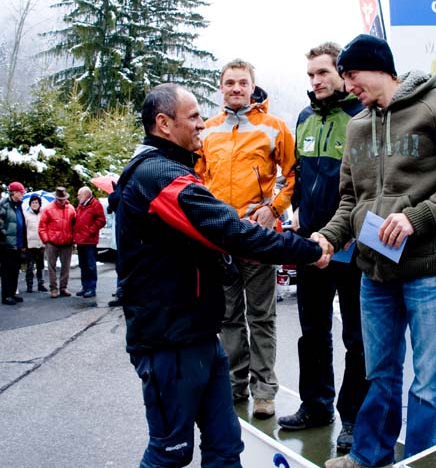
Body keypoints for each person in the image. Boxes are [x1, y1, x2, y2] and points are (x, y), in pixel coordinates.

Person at [115, 82, 327, 467]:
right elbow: (230, 231)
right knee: (170, 452)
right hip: (169, 343)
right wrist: (308, 251)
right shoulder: (159, 176)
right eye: (193, 116)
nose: (202, 124)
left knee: (226, 447)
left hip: (200, 337)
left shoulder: (175, 170)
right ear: (164, 123)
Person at [316, 35, 436, 468]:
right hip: (374, 271)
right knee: (379, 373)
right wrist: (329, 237)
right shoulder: (357, 126)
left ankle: (418, 463)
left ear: (379, 67)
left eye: (351, 75)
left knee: (429, 381)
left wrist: (418, 217)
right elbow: (350, 200)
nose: (348, 86)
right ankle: (368, 455)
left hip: (429, 267)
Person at [277, 42, 368, 452]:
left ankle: (353, 418)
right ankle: (316, 406)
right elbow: (300, 173)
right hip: (310, 244)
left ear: (342, 74)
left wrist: (350, 229)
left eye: (324, 73)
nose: (316, 81)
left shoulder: (363, 115)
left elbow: (369, 182)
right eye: (311, 74)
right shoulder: (303, 117)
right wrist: (297, 208)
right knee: (312, 332)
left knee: (357, 338)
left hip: (352, 244)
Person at [195, 59, 297, 419]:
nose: (236, 88)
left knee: (261, 317)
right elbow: (196, 179)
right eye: (230, 82)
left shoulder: (274, 127)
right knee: (227, 317)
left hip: (256, 236)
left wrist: (274, 208)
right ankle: (235, 384)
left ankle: (265, 390)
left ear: (253, 87)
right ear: (221, 87)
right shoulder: (207, 130)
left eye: (242, 82)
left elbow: (293, 174)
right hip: (220, 237)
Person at [39, 187, 76, 298]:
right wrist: (46, 240)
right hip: (52, 242)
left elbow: (75, 225)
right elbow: (42, 226)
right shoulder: (48, 209)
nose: (62, 201)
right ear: (56, 198)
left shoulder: (71, 209)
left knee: (66, 267)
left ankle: (63, 287)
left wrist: (73, 239)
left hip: (67, 242)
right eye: (60, 199)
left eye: (63, 199)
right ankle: (53, 288)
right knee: (51, 267)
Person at [0, 181, 27, 305]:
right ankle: (6, 295)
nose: (22, 194)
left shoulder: (18, 205)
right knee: (7, 271)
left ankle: (13, 293)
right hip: (7, 245)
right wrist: (5, 239)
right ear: (14, 193)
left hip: (17, 243)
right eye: (21, 192)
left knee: (15, 270)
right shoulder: (4, 204)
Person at [74, 186, 106, 298]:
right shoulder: (80, 206)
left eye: (79, 195)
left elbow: (101, 220)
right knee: (83, 265)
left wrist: (90, 230)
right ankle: (85, 287)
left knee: (90, 265)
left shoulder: (95, 205)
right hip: (80, 240)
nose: (78, 197)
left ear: (86, 195)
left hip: (89, 241)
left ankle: (91, 288)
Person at [24, 194, 47, 293]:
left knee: (40, 266)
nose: (34, 204)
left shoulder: (43, 214)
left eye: (36, 202)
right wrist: (24, 244)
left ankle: (40, 284)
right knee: (30, 266)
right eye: (33, 203)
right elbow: (24, 230)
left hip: (41, 244)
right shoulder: (26, 215)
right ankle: (29, 285)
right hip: (30, 245)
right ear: (30, 204)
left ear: (39, 204)